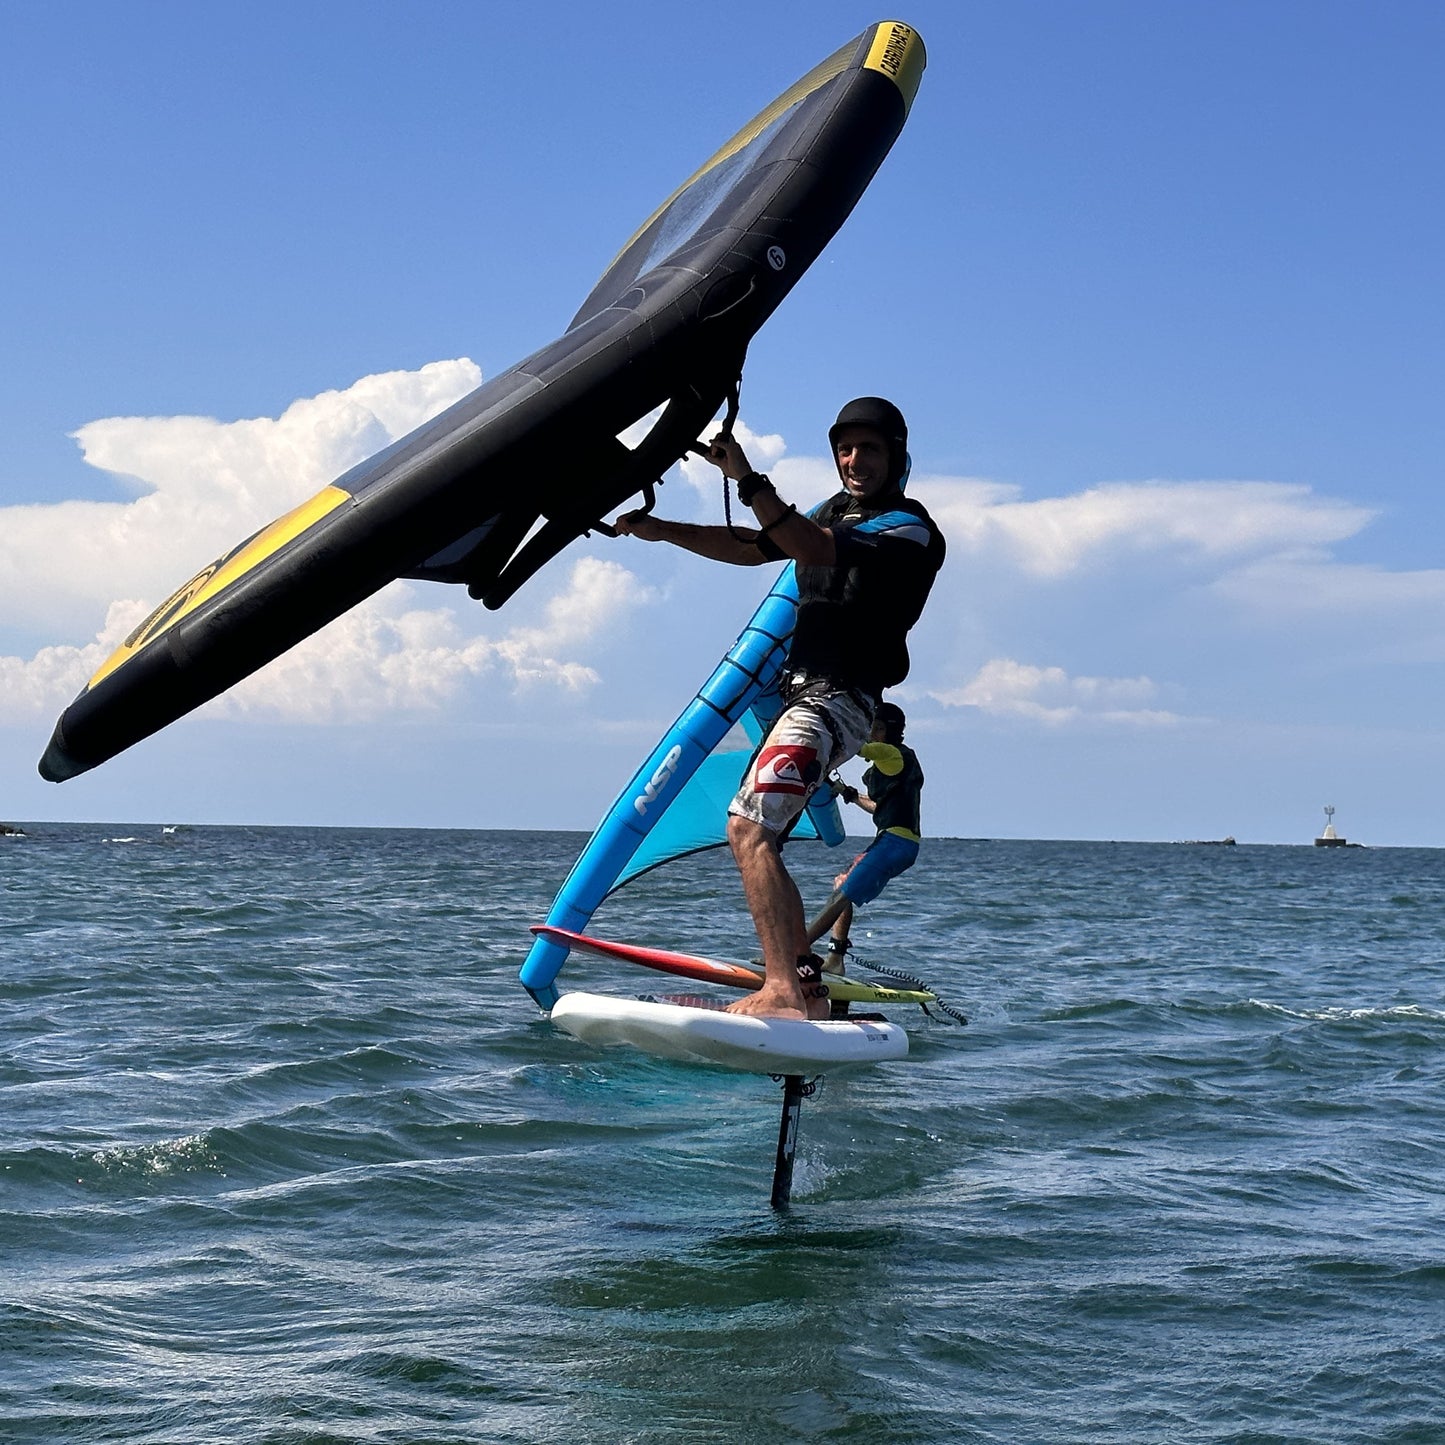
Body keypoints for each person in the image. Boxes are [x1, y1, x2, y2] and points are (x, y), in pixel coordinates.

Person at [615, 397, 945, 1018]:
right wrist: (662, 531)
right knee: (757, 832)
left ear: (896, 457)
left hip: (836, 700)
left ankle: (783, 990)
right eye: (845, 448)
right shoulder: (833, 512)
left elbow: (806, 544)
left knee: (748, 830)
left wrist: (744, 476)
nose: (854, 460)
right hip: (803, 696)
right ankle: (804, 983)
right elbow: (753, 546)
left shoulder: (907, 527)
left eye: (870, 449)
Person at [806, 701, 923, 973]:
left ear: (891, 733)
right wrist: (846, 792)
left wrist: (823, 726)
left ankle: (792, 953)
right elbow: (876, 805)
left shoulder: (890, 754)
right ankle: (835, 959)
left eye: (877, 728)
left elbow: (857, 746)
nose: (871, 732)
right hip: (893, 841)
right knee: (841, 884)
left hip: (896, 843)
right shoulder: (891, 763)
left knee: (840, 898)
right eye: (872, 726)